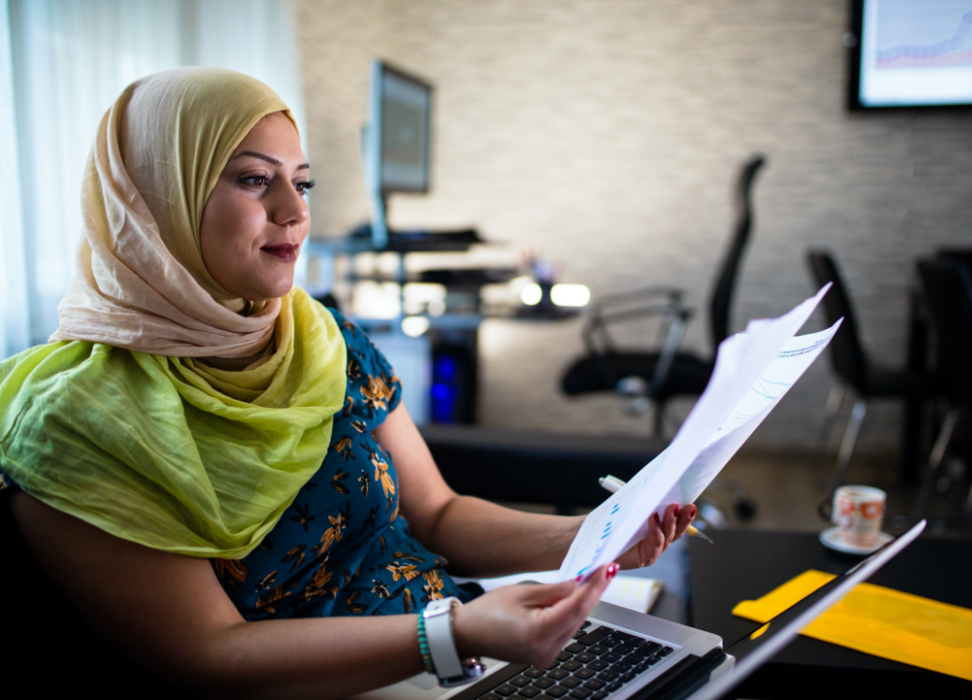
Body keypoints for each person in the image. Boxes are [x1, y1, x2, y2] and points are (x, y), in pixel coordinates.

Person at [0, 67, 696, 698]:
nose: (295, 211)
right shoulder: (79, 420)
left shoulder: (322, 337)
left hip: (457, 655)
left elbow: (438, 516)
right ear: (157, 199)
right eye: (252, 179)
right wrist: (455, 634)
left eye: (301, 182)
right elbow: (212, 654)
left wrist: (589, 536)